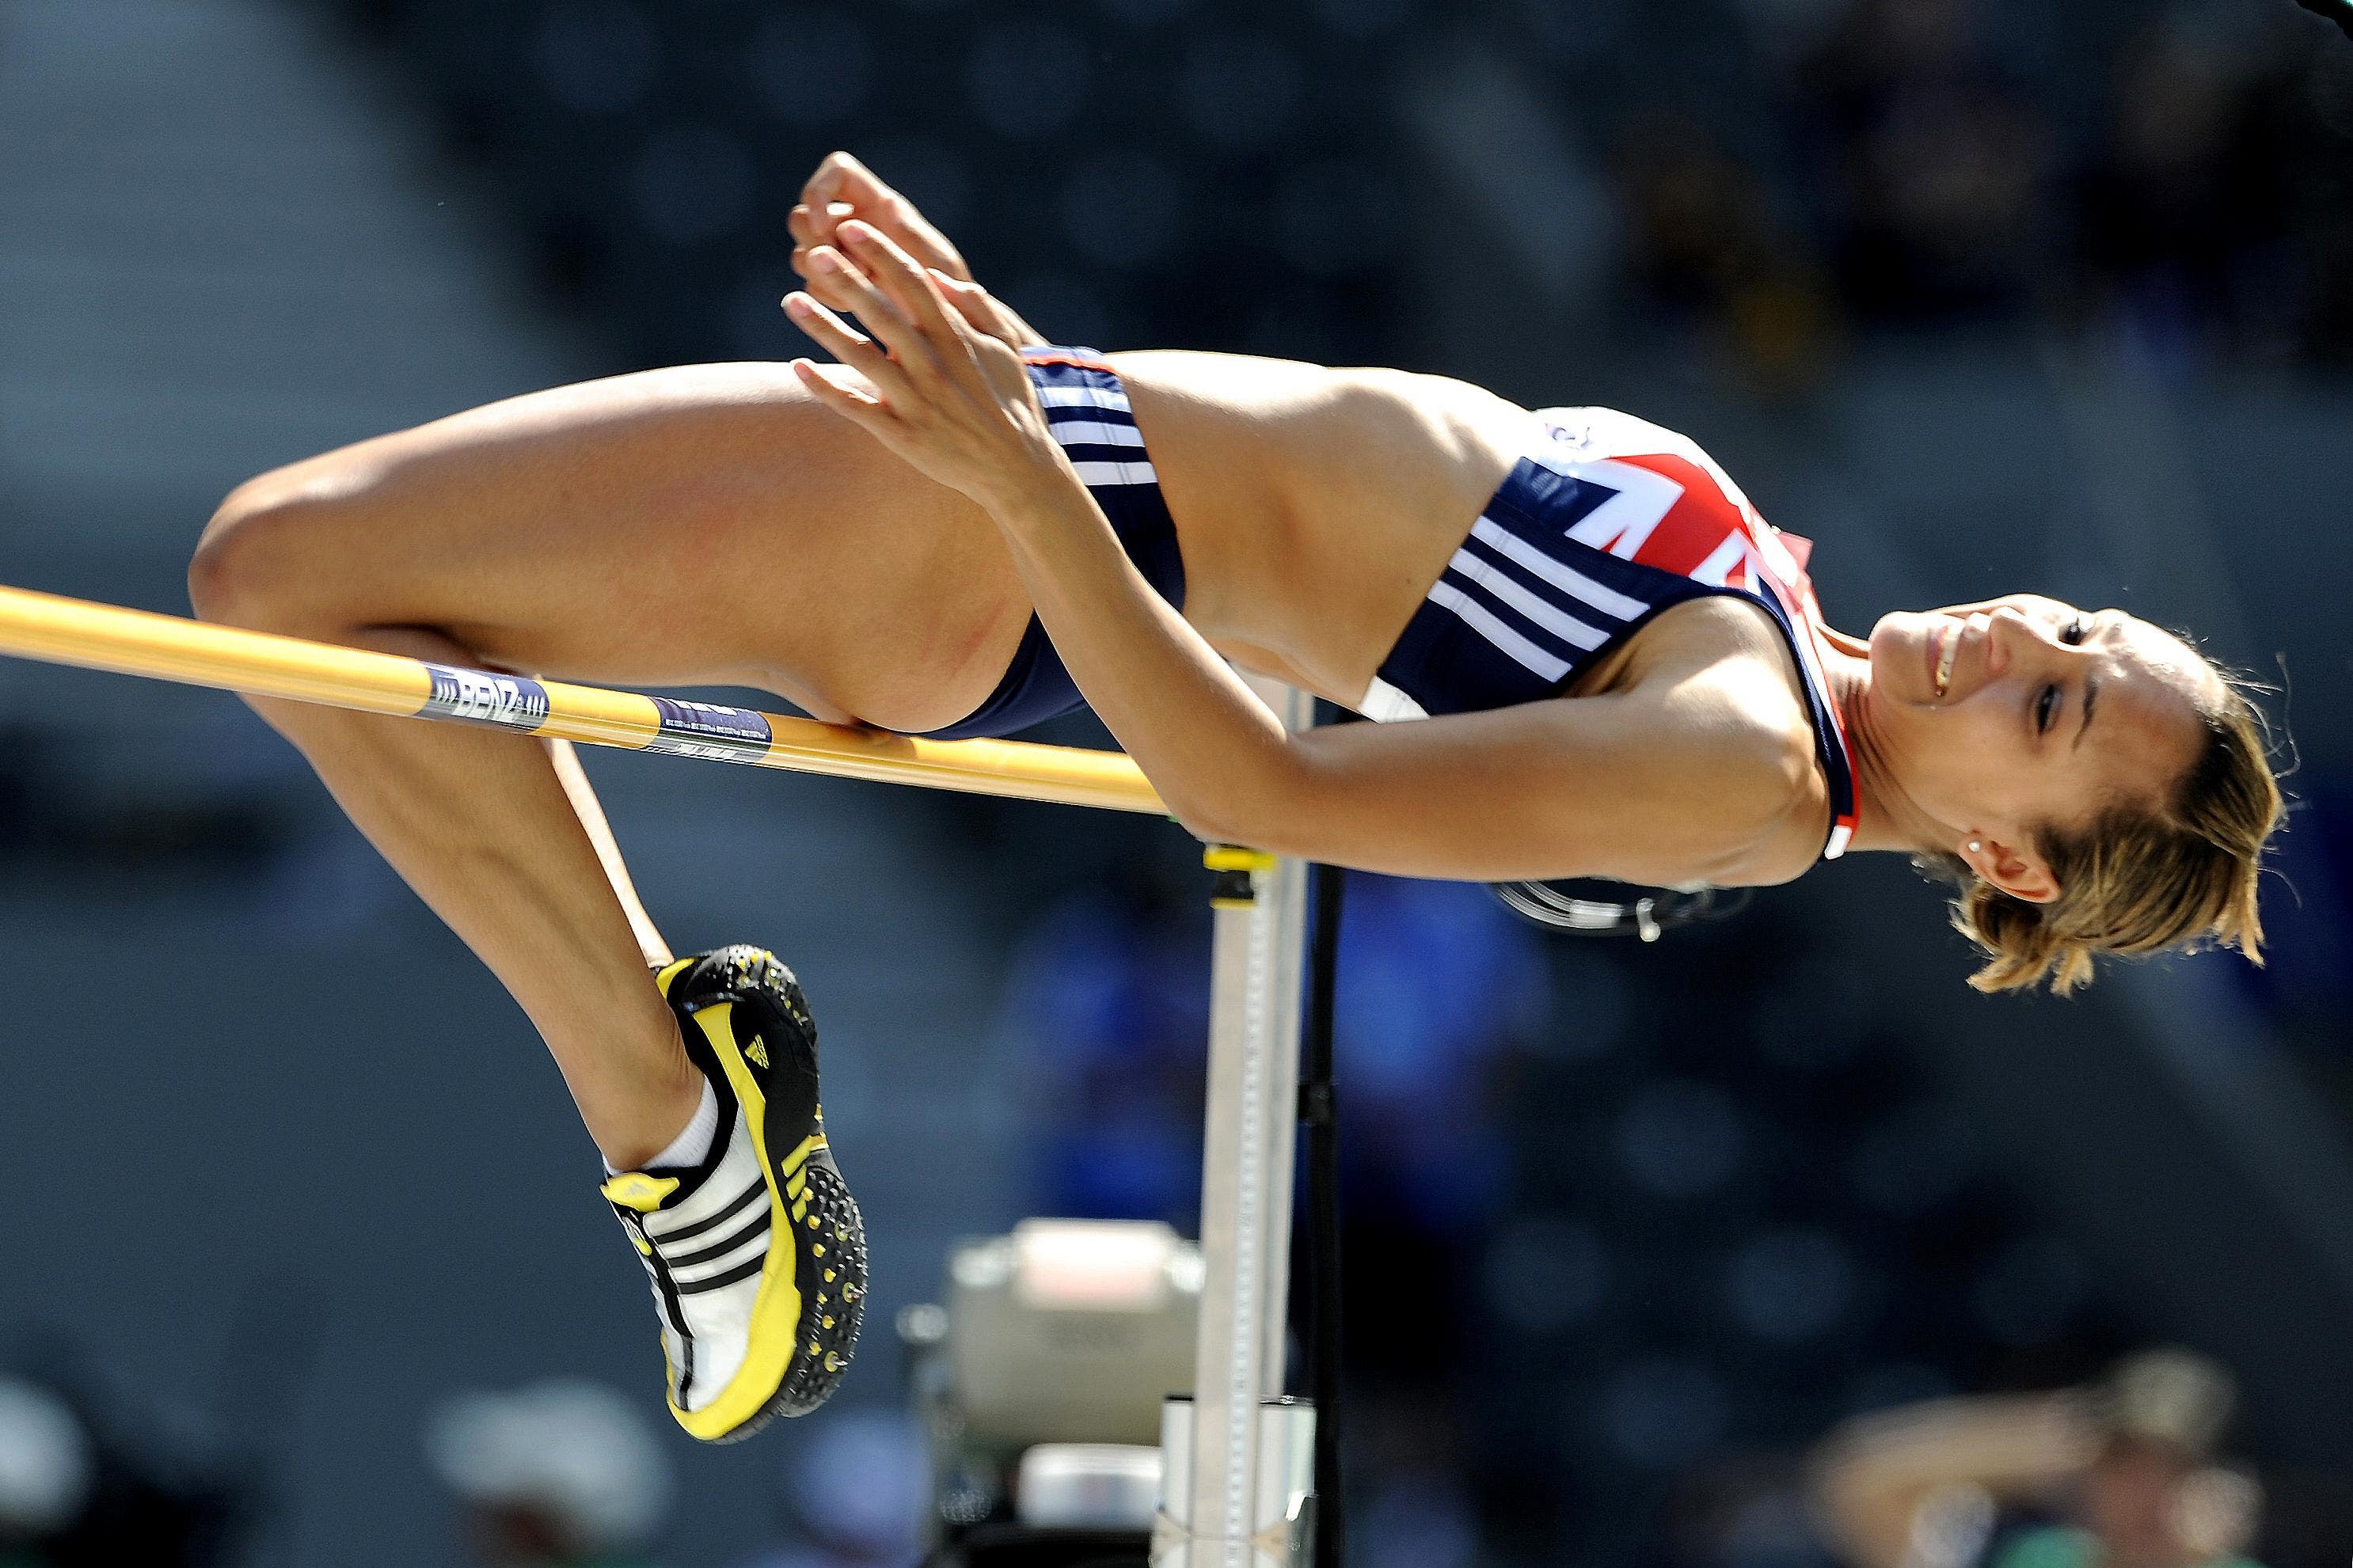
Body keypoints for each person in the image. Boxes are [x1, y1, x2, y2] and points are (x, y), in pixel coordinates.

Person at [181, 152, 2286, 1441]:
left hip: (996, 523)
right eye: (2070, 629)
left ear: (2003, 852)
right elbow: (1330, 540)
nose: (2012, 642)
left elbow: (1258, 782)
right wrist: (1051, 396)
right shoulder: (1789, 654)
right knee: (318, 608)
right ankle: (678, 1113)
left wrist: (1019, 458)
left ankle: (674, 1123)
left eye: (2044, 711)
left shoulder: (1744, 761)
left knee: (276, 572)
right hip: (1035, 479)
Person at [1808, 1349, 2267, 1568]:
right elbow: (1860, 1477)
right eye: (2121, 1467)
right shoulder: (2042, 1559)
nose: (2141, 1495)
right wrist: (2058, 1428)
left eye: (2168, 1472)